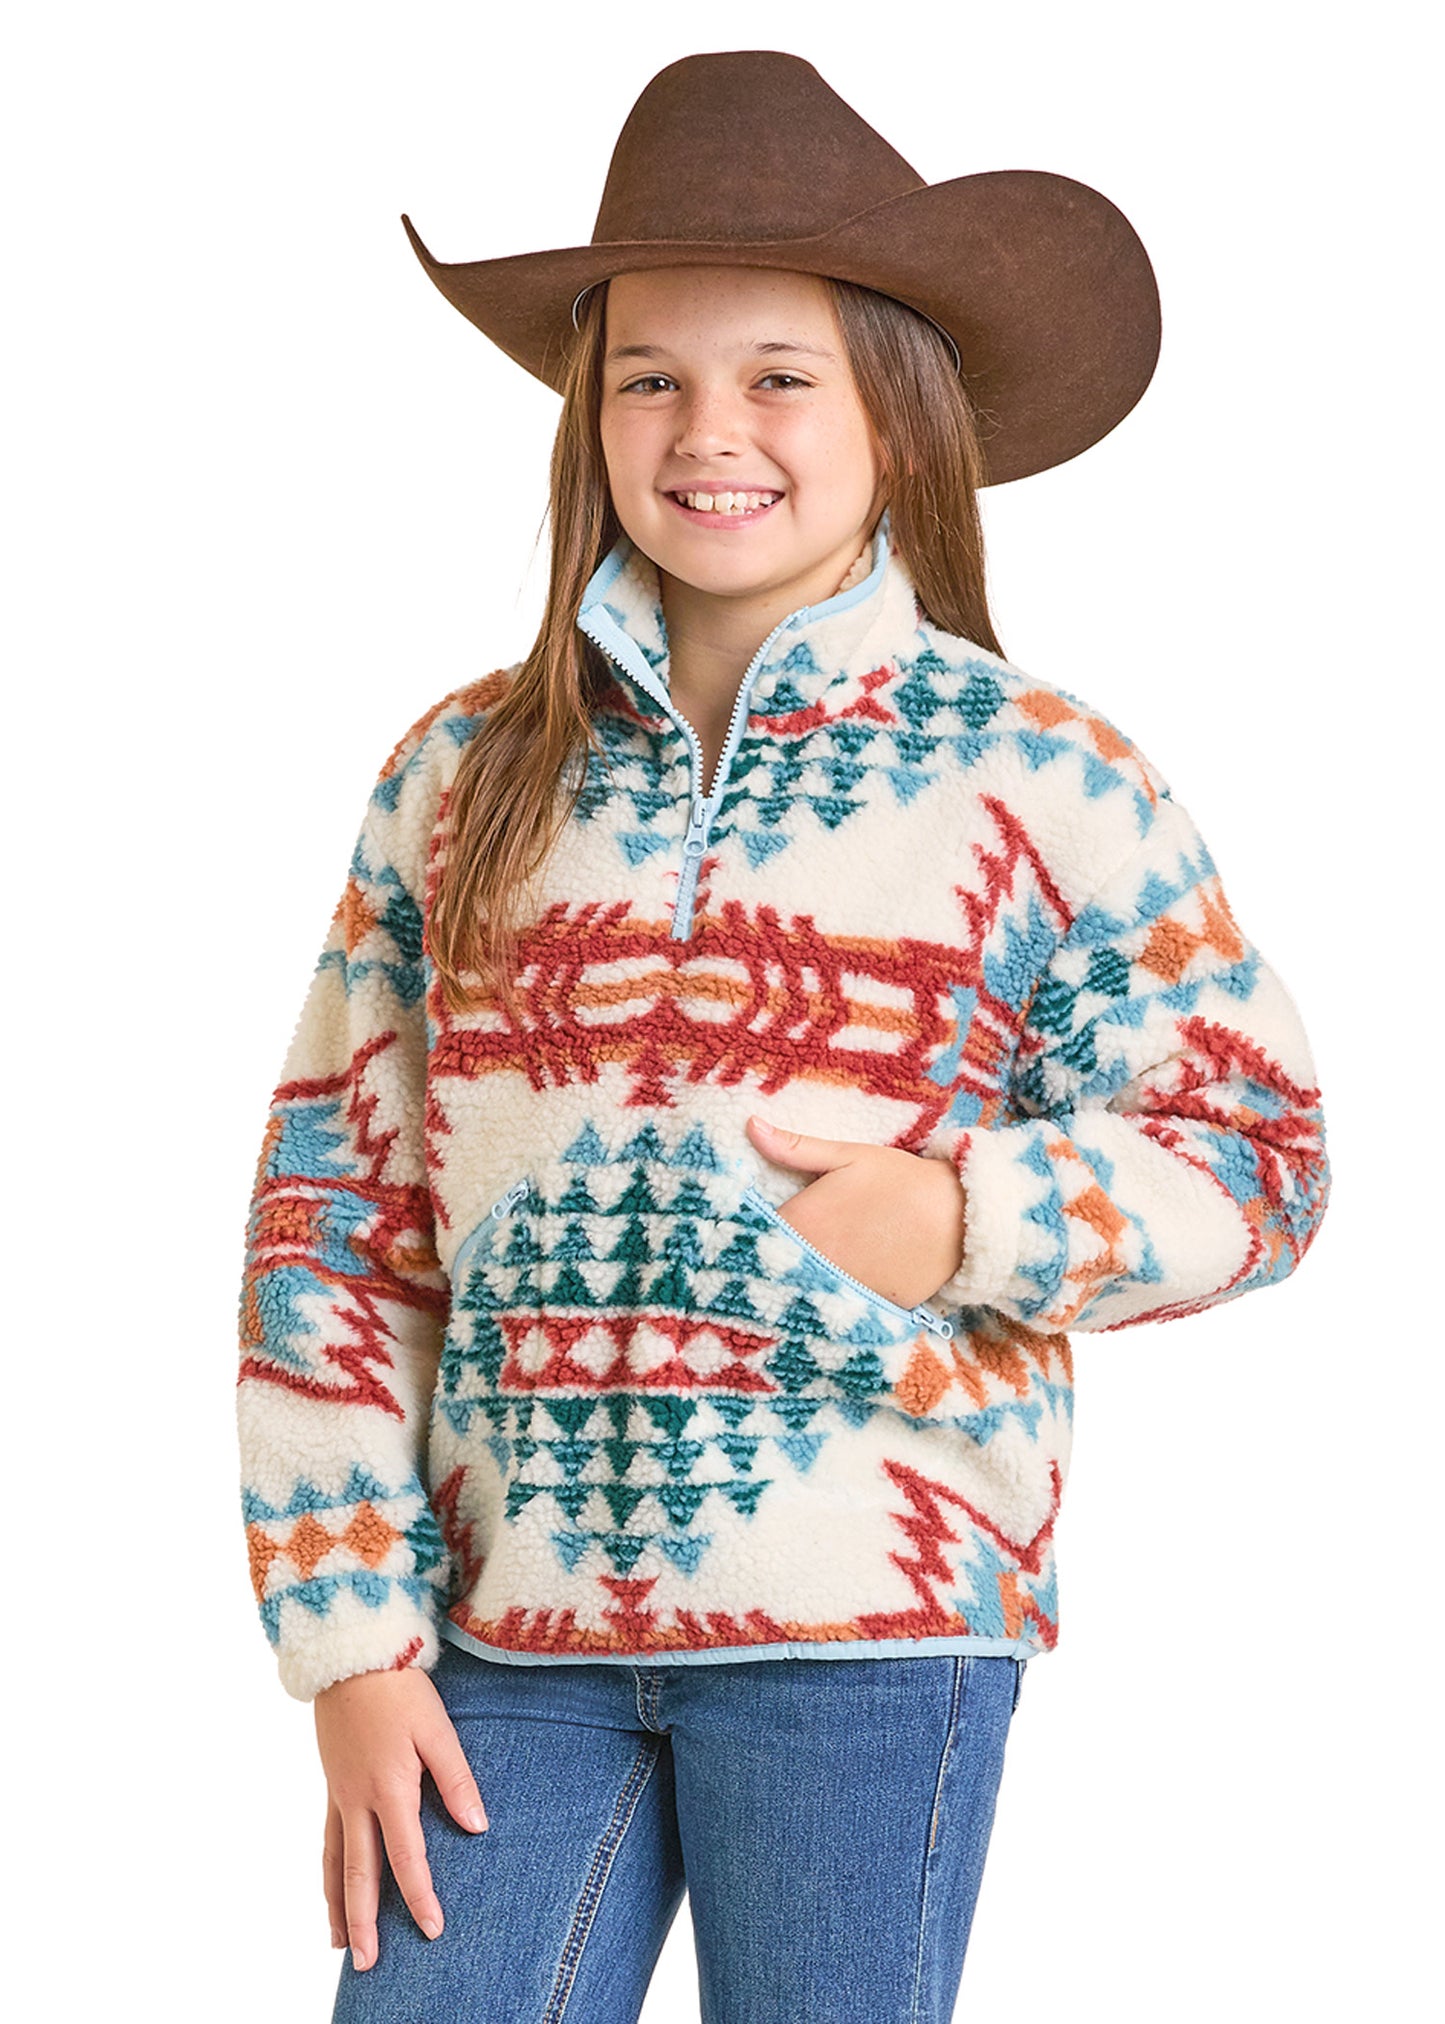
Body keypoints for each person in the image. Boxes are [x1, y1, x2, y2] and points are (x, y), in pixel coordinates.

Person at [235, 49, 1331, 2024]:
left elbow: (1259, 1150)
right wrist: (350, 1639)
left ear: (897, 419)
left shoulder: (1035, 781)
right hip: (500, 1641)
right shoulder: (466, 776)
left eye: (777, 375)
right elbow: (337, 1211)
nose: (705, 429)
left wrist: (970, 1208)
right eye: (649, 372)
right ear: (589, 411)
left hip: (872, 1634)